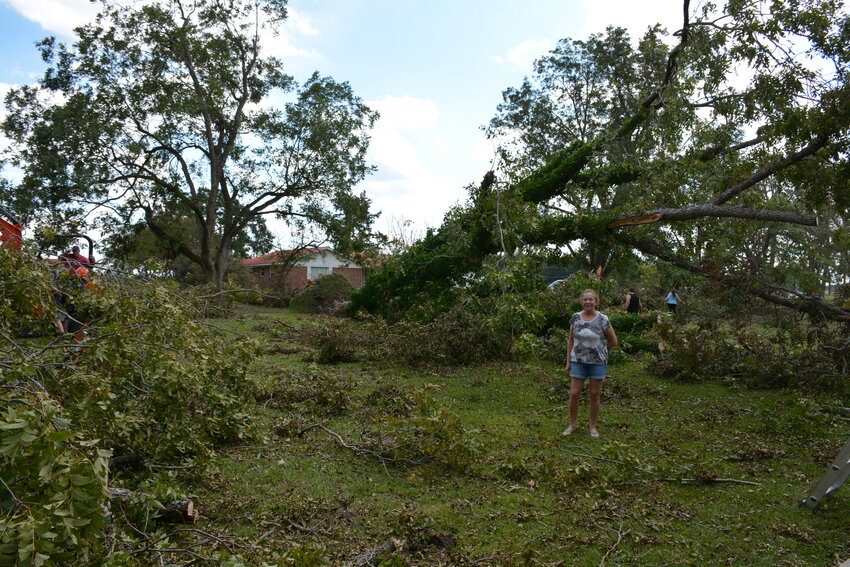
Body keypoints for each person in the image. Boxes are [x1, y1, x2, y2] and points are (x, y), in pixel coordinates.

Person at [563, 289, 618, 438]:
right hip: (578, 362)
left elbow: (613, 341)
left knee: (594, 394)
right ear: (582, 301)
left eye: (591, 299)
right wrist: (568, 362)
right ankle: (572, 425)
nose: (588, 302)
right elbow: (571, 340)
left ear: (596, 301)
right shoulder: (575, 318)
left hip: (597, 363)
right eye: (585, 299)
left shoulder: (603, 319)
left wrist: (601, 351)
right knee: (574, 394)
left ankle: (592, 427)